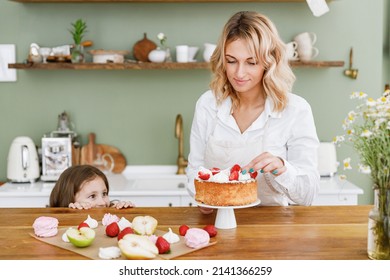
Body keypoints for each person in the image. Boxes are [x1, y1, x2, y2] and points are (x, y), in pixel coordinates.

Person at [187, 11, 320, 211]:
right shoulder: (208, 104)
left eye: (251, 62)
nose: (239, 73)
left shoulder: (296, 110)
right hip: (217, 223)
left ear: (269, 62)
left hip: (271, 228)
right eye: (231, 61)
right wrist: (205, 199)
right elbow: (194, 171)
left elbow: (308, 195)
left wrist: (281, 168)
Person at [49, 165, 135, 209]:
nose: (102, 202)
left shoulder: (110, 211)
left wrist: (124, 212)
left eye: (104, 194)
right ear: (69, 200)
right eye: (92, 196)